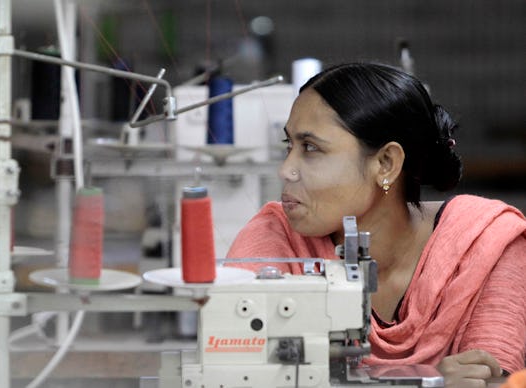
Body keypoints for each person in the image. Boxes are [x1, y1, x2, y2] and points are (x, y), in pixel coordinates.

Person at [225, 62, 526, 387]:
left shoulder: (486, 244)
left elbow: (491, 378)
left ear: (386, 163)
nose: (286, 169)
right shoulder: (275, 238)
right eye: (289, 146)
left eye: (310, 148)